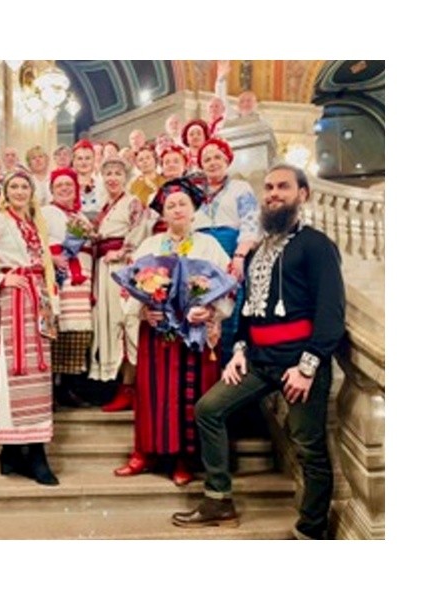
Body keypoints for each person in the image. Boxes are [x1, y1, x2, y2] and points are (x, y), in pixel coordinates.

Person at [172, 164, 345, 539]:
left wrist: (308, 366)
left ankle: (311, 530)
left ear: (303, 194)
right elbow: (249, 310)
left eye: (283, 187)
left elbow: (331, 312)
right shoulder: (257, 252)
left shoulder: (317, 245)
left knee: (308, 447)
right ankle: (219, 500)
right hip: (259, 361)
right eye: (268, 187)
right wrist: (238, 352)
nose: (273, 194)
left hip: (299, 364)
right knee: (209, 409)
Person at [115, 177, 233, 486]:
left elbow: (228, 289)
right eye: (170, 205)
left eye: (183, 204)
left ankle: (184, 458)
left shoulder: (210, 246)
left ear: (194, 210)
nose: (177, 209)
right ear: (162, 214)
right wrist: (144, 310)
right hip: (157, 335)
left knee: (189, 395)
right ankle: (144, 452)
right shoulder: (150, 246)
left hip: (193, 335)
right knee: (151, 394)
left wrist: (209, 310)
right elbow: (128, 290)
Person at [0, 170, 61, 486]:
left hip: (36, 296)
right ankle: (30, 453)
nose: (19, 191)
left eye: (24, 186)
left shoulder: (33, 223)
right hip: (16, 296)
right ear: (4, 191)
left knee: (37, 371)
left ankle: (16, 452)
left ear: (31, 192)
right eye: (13, 186)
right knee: (17, 369)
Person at [194, 137, 262, 356]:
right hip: (200, 256)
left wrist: (240, 255)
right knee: (200, 308)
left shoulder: (240, 188)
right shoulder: (195, 193)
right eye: (207, 159)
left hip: (230, 253)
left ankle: (229, 367)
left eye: (217, 157)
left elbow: (251, 222)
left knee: (231, 309)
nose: (212, 162)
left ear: (227, 160)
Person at [88, 158, 146, 411]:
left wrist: (122, 253)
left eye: (117, 173)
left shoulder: (132, 202)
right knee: (109, 324)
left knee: (125, 323)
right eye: (108, 173)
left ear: (126, 177)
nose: (112, 178)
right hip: (103, 268)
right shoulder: (105, 206)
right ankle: (118, 385)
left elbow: (140, 231)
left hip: (121, 269)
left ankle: (131, 388)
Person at [40, 167, 95, 408]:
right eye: (59, 185)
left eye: (68, 185)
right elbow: (36, 241)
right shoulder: (45, 212)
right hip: (59, 277)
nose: (64, 188)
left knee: (77, 332)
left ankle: (69, 387)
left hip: (81, 278)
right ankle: (51, 387)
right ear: (52, 189)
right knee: (57, 327)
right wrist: (50, 259)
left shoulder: (81, 217)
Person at [72, 139, 104, 219]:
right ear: (74, 162)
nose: (84, 162)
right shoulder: (68, 186)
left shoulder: (103, 184)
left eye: (87, 158)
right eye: (80, 158)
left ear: (93, 160)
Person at [127, 143, 165, 207]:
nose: (145, 161)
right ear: (137, 165)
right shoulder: (133, 185)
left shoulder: (165, 181)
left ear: (155, 160)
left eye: (148, 158)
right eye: (141, 160)